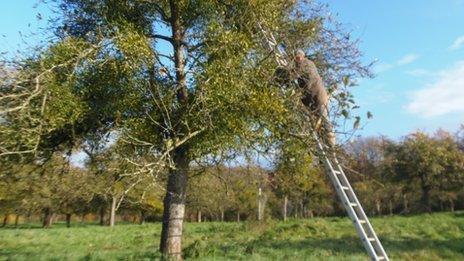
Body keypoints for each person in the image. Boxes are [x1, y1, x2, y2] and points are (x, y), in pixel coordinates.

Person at [293, 49, 335, 146]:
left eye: (298, 57)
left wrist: (299, 91)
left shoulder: (307, 64)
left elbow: (308, 80)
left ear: (302, 56)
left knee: (324, 118)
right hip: (311, 98)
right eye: (295, 57)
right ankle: (323, 142)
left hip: (318, 96)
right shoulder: (299, 65)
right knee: (316, 122)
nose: (297, 59)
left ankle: (331, 145)